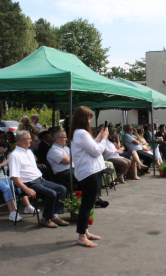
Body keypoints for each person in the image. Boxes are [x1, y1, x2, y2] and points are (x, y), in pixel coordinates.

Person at [9, 130, 68, 228]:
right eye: (28, 139)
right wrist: (27, 189)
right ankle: (45, 219)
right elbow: (14, 177)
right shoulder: (15, 155)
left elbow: (32, 167)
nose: (31, 140)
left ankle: (54, 216)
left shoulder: (28, 151)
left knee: (62, 189)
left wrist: (39, 175)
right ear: (20, 140)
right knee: (51, 194)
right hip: (29, 183)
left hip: (38, 180)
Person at [70, 106, 109, 248]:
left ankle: (84, 231)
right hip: (89, 172)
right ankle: (81, 236)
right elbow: (96, 150)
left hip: (89, 171)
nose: (90, 121)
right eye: (89, 117)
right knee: (87, 205)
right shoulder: (81, 133)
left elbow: (92, 146)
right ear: (83, 119)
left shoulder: (79, 133)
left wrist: (99, 137)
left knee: (89, 203)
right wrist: (104, 139)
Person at [0, 139, 37, 221]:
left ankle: (28, 207)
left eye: (5, 149)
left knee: (18, 183)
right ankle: (13, 212)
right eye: (2, 149)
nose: (4, 151)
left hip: (2, 177)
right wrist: (8, 160)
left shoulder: (1, 155)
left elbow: (9, 170)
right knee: (6, 187)